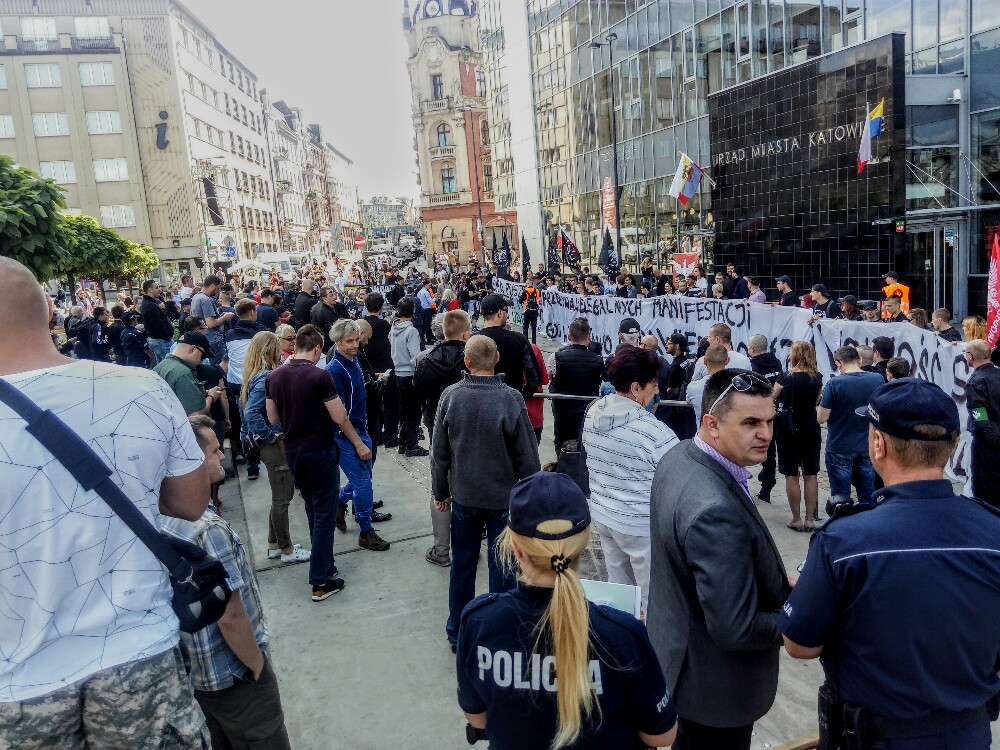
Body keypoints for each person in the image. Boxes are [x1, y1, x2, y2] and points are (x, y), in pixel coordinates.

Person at [0, 257, 210, 748]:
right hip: (138, 653)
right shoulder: (140, 387)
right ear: (51, 310)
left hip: (16, 686)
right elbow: (190, 502)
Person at [781, 378, 1000, 750]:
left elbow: (799, 644)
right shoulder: (993, 530)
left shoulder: (844, 540)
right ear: (954, 445)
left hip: (875, 737)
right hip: (968, 734)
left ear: (877, 444)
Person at [456, 472, 678, 750]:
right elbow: (661, 734)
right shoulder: (623, 635)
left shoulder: (479, 621)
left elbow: (477, 718)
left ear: (515, 547)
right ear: (584, 543)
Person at [648, 369, 791, 750]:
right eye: (750, 423)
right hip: (714, 690)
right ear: (712, 423)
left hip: (682, 665)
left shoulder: (681, 455)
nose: (766, 434)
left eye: (769, 421)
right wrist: (803, 620)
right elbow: (736, 628)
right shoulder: (715, 510)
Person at [161, 415, 292, 750]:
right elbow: (231, 616)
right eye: (215, 451)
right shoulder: (207, 529)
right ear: (190, 463)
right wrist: (257, 667)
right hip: (236, 676)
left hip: (198, 680)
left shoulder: (160, 518)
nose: (222, 456)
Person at [431, 335, 541, 652]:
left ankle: (458, 630)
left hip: (464, 498)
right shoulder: (510, 399)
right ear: (495, 361)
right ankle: (500, 634)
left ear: (466, 362)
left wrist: (441, 490)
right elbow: (529, 459)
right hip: (504, 501)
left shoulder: (451, 397)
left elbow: (439, 453)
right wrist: (529, 500)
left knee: (462, 565)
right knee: (503, 569)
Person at [582, 347, 678, 612]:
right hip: (640, 525)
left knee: (619, 590)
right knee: (653, 597)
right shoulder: (656, 433)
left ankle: (622, 638)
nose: (656, 392)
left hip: (603, 515)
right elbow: (678, 483)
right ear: (637, 388)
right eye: (654, 385)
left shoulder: (593, 412)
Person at [264, 324, 349, 601]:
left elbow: (273, 418)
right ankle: (320, 581)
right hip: (320, 450)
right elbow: (338, 417)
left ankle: (326, 565)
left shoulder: (274, 377)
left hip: (293, 452)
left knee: (314, 510)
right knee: (324, 515)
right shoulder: (320, 376)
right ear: (316, 349)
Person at [240, 331, 309, 563]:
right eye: (280, 345)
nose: (284, 349)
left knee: (279, 496)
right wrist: (271, 437)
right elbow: (251, 413)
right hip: (272, 447)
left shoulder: (257, 376)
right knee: (283, 496)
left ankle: (274, 544)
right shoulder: (264, 377)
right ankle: (287, 549)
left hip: (269, 445)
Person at [327, 318, 392, 551]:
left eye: (357, 339)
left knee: (362, 478)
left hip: (361, 427)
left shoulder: (353, 361)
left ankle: (340, 501)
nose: (355, 345)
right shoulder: (335, 370)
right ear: (337, 342)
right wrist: (357, 442)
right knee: (364, 483)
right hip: (348, 434)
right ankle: (366, 530)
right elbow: (340, 415)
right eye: (349, 341)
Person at [414, 310, 472, 567]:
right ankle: (466, 546)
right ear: (466, 332)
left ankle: (441, 549)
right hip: (470, 430)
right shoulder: (473, 359)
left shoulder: (425, 360)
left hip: (438, 427)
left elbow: (419, 393)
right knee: (467, 488)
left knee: (440, 488)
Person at [817, 346, 885, 507]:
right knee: (867, 494)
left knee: (841, 498)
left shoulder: (834, 384)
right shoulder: (877, 379)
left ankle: (842, 528)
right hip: (867, 445)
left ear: (838, 363)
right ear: (859, 360)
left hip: (840, 445)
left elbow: (821, 418)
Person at [772, 341, 824, 531]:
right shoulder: (818, 377)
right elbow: (817, 400)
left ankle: (796, 518)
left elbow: (772, 397)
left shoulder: (785, 377)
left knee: (791, 474)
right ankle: (810, 518)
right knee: (811, 474)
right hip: (810, 425)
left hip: (788, 426)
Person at [547, 317, 605, 450]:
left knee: (561, 445)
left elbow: (550, 379)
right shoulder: (598, 360)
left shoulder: (555, 358)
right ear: (588, 336)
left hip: (563, 412)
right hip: (587, 412)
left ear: (568, 336)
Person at [224, 299, 264, 478]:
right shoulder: (261, 333)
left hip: (237, 385)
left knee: (245, 426)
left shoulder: (230, 335)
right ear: (253, 312)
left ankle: (252, 466)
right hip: (256, 382)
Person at [478, 293, 541, 402]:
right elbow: (534, 377)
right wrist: (521, 397)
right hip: (511, 403)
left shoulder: (473, 340)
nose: (507, 315)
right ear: (500, 313)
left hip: (480, 403)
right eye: (506, 311)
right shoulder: (519, 339)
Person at [390, 297, 428, 457]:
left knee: (404, 412)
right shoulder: (411, 331)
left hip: (398, 372)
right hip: (410, 374)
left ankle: (403, 443)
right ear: (413, 312)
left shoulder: (393, 329)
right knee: (413, 413)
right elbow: (415, 356)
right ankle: (411, 445)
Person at [154, 331, 224, 416]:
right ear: (192, 349)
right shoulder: (183, 373)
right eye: (202, 356)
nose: (201, 361)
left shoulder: (160, 366)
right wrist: (211, 397)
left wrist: (202, 392)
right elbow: (195, 415)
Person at [965, 339, 1000, 508]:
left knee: (985, 495)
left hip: (988, 449)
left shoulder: (977, 382)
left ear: (970, 356)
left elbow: (980, 420)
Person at [748, 334, 783, 504]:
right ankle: (767, 485)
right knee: (770, 452)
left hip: (758, 413)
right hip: (774, 412)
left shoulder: (752, 366)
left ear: (752, 349)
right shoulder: (776, 362)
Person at [191, 275, 235, 363]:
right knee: (220, 368)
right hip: (213, 340)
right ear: (212, 286)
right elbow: (210, 323)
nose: (218, 291)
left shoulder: (196, 297)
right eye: (218, 288)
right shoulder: (206, 300)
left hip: (202, 337)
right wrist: (224, 317)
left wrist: (220, 316)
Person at [685, 343, 728, 426]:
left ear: (704, 361)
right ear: (727, 360)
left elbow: (689, 401)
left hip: (703, 435)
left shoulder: (693, 387)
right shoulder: (738, 387)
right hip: (728, 436)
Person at [140, 279, 176, 363]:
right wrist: (167, 337)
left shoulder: (149, 303)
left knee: (162, 364)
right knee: (170, 364)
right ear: (150, 290)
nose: (159, 290)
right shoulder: (150, 305)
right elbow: (157, 325)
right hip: (161, 340)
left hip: (158, 340)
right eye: (156, 288)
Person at [310, 285, 349, 354]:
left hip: (320, 343)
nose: (335, 297)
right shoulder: (326, 312)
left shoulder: (315, 307)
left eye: (335, 294)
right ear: (324, 298)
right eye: (331, 295)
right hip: (328, 346)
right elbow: (332, 331)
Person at [520, 278, 541, 343]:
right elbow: (539, 299)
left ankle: (525, 342)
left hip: (527, 310)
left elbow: (520, 301)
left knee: (525, 327)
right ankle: (534, 342)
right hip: (535, 310)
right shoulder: (537, 291)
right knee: (534, 327)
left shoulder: (525, 291)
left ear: (528, 284)